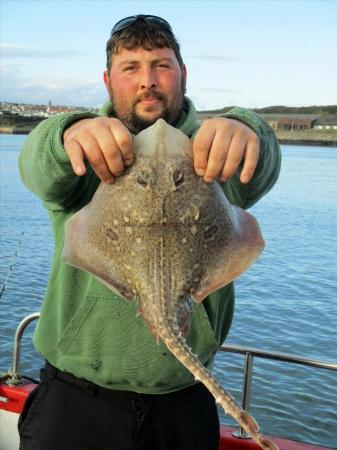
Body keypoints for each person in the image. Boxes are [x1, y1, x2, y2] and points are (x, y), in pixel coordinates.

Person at [18, 14, 281, 450]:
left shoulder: (210, 156)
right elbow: (37, 167)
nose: (148, 81)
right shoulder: (82, 154)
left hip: (182, 404)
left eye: (161, 65)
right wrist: (66, 132)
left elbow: (261, 170)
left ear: (183, 74)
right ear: (107, 81)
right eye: (131, 67)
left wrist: (247, 128)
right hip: (76, 403)